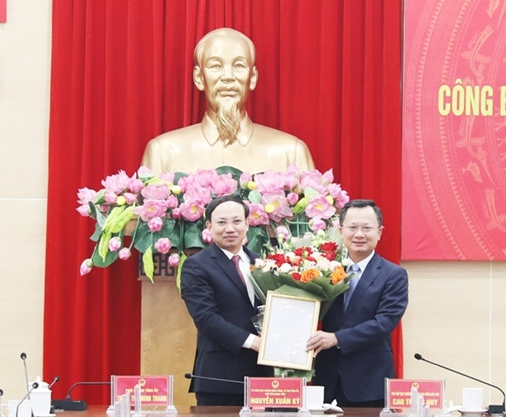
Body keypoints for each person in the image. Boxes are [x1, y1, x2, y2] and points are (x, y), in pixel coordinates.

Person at [142, 27, 315, 174]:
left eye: (239, 65)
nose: (228, 76)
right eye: (215, 66)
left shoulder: (291, 153)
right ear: (199, 78)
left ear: (252, 78)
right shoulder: (163, 153)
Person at [306, 199, 409, 407]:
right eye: (352, 227)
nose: (359, 234)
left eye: (367, 228)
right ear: (341, 231)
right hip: (327, 380)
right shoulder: (323, 269)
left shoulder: (394, 275)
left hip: (369, 383)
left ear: (379, 232)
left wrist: (336, 338)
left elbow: (383, 324)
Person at [180, 195, 272, 406]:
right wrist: (254, 342)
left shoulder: (262, 262)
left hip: (264, 375)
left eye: (237, 221)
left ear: (247, 223)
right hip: (220, 377)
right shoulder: (196, 266)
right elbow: (206, 318)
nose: (230, 229)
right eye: (221, 222)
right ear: (209, 226)